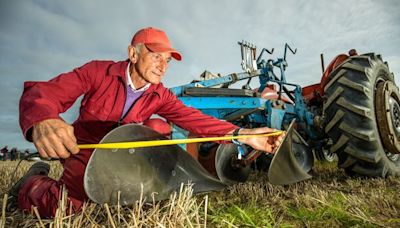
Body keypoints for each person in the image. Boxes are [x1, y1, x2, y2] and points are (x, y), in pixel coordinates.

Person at [12, 27, 284, 218]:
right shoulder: (98, 72)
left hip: (122, 156)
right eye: (155, 56)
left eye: (167, 60)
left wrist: (244, 134)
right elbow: (46, 92)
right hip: (85, 151)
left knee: (154, 139)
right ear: (133, 54)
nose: (163, 66)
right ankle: (32, 182)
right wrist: (44, 118)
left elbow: (195, 120)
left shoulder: (160, 95)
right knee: (70, 209)